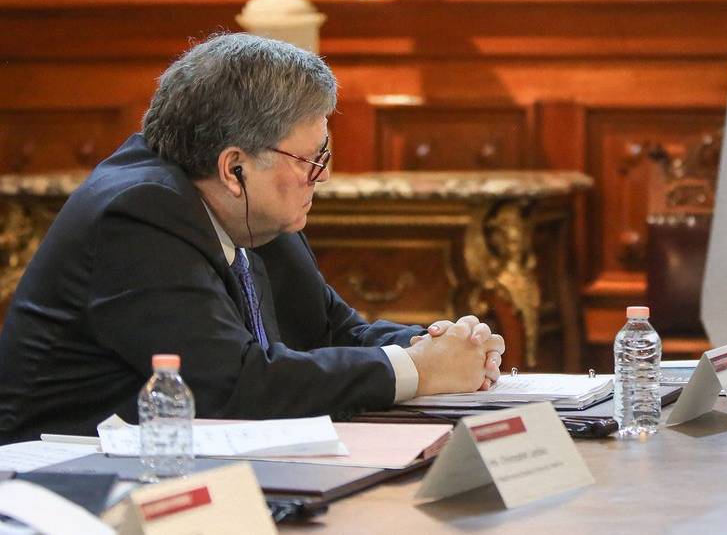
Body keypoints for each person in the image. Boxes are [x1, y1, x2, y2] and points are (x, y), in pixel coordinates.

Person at [0, 33, 505, 442]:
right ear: (234, 169)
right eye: (311, 160)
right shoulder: (136, 215)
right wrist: (416, 370)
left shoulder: (249, 211)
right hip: (66, 483)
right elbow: (232, 384)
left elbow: (334, 334)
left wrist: (441, 346)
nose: (323, 176)